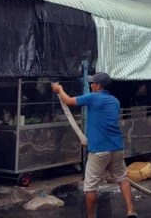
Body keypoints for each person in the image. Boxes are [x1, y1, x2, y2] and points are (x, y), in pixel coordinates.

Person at [51, 73, 138, 218]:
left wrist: (59, 90)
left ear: (99, 86)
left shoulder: (93, 98)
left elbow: (67, 101)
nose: (91, 85)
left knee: (90, 186)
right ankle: (131, 210)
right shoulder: (115, 101)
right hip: (116, 147)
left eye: (93, 83)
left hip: (99, 150)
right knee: (122, 178)